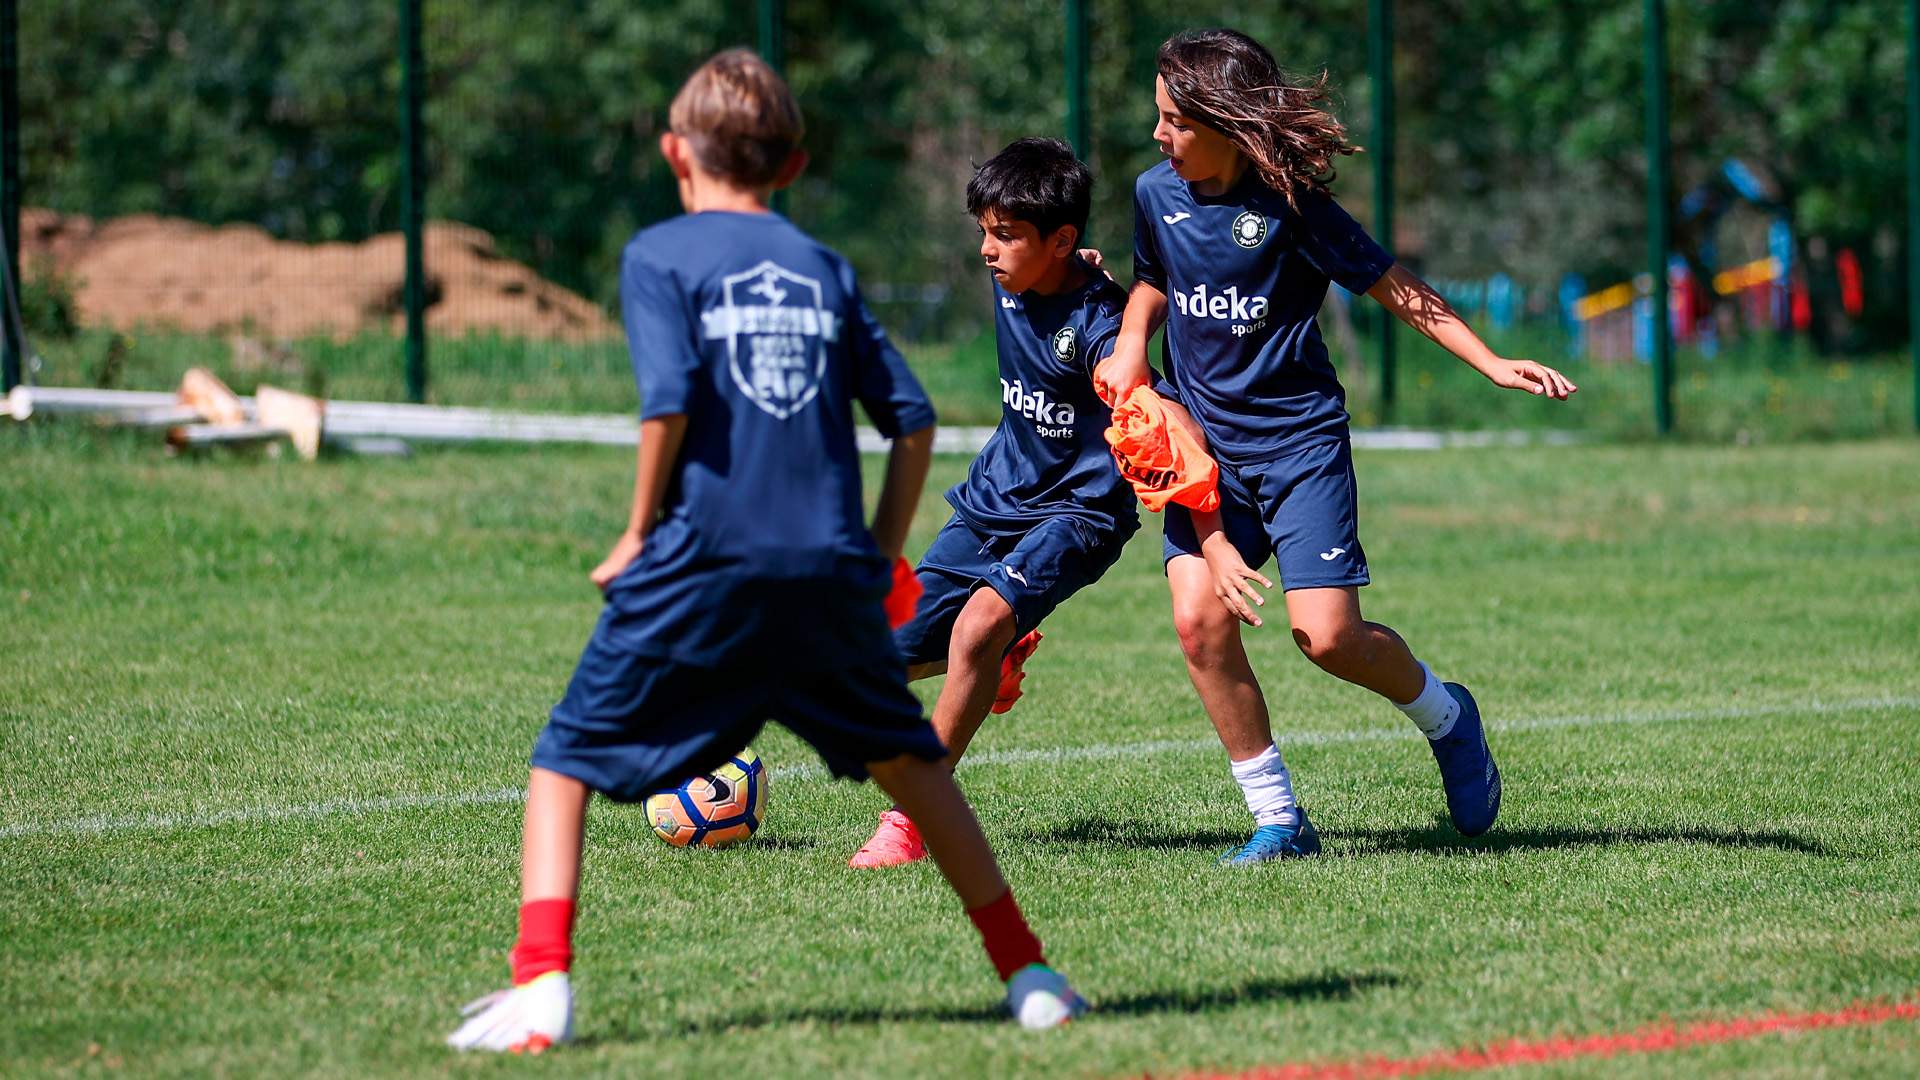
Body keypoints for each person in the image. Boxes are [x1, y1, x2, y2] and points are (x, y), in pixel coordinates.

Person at [446, 51, 1085, 1052]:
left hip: (703, 563)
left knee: (563, 762)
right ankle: (1031, 975)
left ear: (673, 153)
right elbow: (911, 420)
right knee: (916, 769)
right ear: (791, 167)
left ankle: (540, 990)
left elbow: (666, 405)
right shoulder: (824, 266)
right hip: (828, 572)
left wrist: (634, 530)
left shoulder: (658, 256)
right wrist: (877, 556)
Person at [1096, 28, 1577, 866]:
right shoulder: (1154, 193)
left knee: (1325, 637)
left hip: (1298, 446)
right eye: (1158, 118)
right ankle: (1279, 820)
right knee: (1199, 625)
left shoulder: (1292, 204)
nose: (1158, 135)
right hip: (1205, 450)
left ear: (1226, 123)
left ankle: (1446, 715)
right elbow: (1151, 281)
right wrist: (1136, 336)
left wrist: (1492, 362)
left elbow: (1397, 288)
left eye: (1173, 120)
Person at [850, 137, 1147, 868]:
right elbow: (1070, 261)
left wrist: (1125, 377)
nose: (987, 249)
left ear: (1062, 240)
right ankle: (996, 655)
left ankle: (912, 821)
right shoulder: (1019, 271)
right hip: (994, 498)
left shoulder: (1099, 321)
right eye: (983, 230)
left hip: (1080, 511)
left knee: (977, 628)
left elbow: (1116, 339)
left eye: (1004, 235)